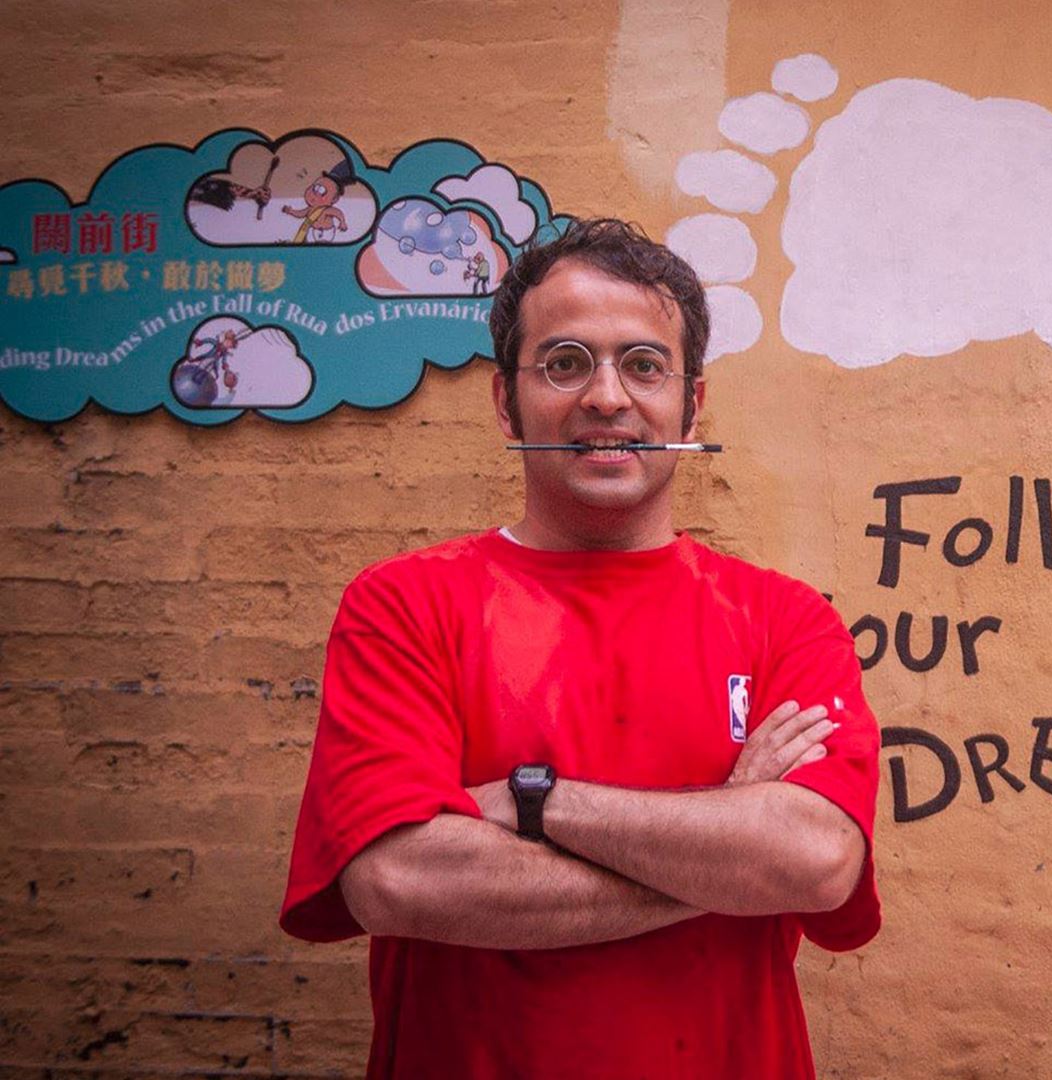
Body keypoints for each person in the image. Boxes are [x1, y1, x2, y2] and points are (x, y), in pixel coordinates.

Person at [280, 218, 881, 1079]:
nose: (606, 397)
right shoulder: (404, 605)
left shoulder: (786, 619)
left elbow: (816, 861)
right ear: (506, 402)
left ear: (692, 404)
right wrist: (725, 849)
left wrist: (533, 801)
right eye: (565, 363)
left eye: (644, 365)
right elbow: (397, 881)